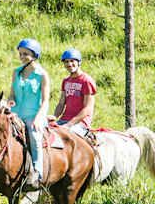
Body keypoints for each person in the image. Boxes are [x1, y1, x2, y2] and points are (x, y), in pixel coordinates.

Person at [7, 38, 50, 189]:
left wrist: (39, 118)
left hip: (34, 115)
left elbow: (45, 101)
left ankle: (38, 172)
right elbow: (11, 94)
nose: (22, 57)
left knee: (34, 135)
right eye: (20, 54)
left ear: (35, 55)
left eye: (26, 54)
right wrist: (10, 102)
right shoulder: (16, 72)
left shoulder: (42, 75)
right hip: (15, 114)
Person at [50, 48, 96, 137]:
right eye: (66, 62)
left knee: (67, 136)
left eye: (72, 61)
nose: (69, 64)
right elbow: (61, 103)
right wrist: (54, 117)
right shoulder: (66, 81)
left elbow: (87, 109)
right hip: (64, 120)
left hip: (80, 123)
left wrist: (70, 124)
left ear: (79, 62)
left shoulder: (86, 81)